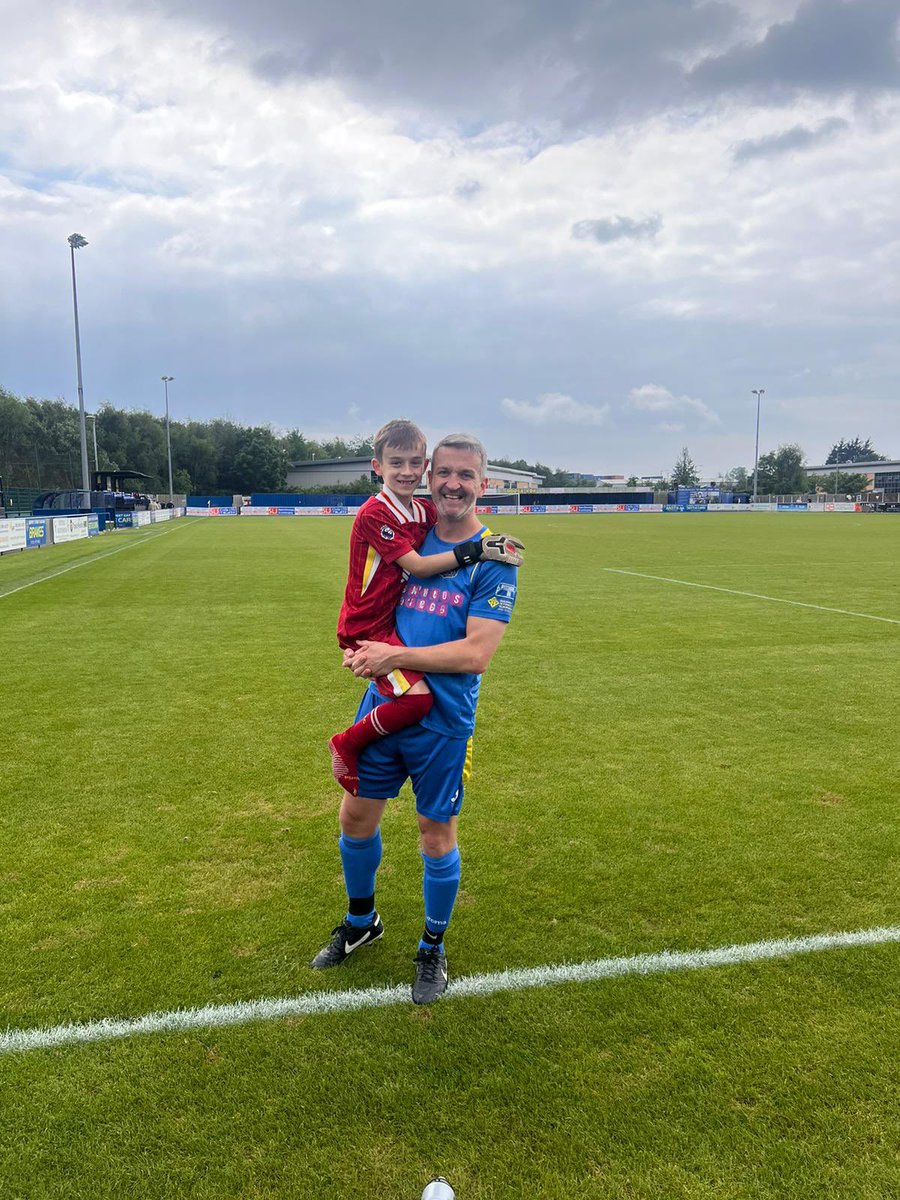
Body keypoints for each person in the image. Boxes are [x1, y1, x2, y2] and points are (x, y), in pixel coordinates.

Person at [312, 432, 520, 1004]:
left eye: (466, 475)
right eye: (444, 472)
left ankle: (432, 947)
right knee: (355, 817)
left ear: (484, 484)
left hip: (443, 721)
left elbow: (475, 654)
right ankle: (361, 922)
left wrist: (393, 656)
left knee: (435, 834)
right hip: (385, 701)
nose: (453, 483)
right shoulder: (411, 531)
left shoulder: (496, 561)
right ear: (430, 477)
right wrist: (371, 653)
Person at [329, 418, 522, 795]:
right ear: (378, 467)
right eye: (396, 462)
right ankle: (347, 741)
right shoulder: (376, 512)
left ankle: (353, 740)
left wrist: (491, 544)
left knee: (435, 831)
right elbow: (417, 566)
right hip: (367, 628)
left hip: (432, 699)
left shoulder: (421, 512)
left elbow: (457, 517)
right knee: (415, 705)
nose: (406, 471)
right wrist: (476, 551)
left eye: (414, 462)